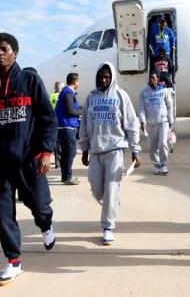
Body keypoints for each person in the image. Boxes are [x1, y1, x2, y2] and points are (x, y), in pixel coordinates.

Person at [0, 32, 57, 286]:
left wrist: (46, 151)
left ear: (15, 52)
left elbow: (48, 119)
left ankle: (45, 225)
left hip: (29, 160)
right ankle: (13, 261)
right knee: (3, 213)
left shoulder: (30, 81)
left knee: (40, 205)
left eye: (4, 49)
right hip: (2, 162)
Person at [80, 62, 141, 245]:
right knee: (97, 189)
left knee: (112, 189)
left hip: (115, 150)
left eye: (107, 76)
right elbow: (84, 124)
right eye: (101, 76)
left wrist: (135, 149)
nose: (103, 79)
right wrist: (84, 148)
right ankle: (111, 204)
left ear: (112, 77)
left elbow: (131, 123)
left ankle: (108, 227)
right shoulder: (90, 98)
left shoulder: (121, 96)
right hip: (95, 151)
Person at [139, 72, 174, 175]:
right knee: (152, 147)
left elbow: (169, 105)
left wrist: (170, 120)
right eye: (150, 78)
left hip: (163, 122)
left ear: (158, 79)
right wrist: (142, 120)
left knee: (163, 143)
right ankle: (157, 164)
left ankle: (163, 164)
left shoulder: (164, 90)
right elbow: (141, 108)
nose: (151, 80)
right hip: (150, 123)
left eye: (153, 78)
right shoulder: (144, 92)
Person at [56, 73, 80, 185]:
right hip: (67, 126)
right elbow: (70, 110)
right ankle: (67, 176)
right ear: (75, 82)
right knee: (70, 152)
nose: (78, 83)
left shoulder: (66, 92)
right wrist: (80, 113)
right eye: (78, 81)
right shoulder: (68, 93)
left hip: (64, 126)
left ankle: (65, 175)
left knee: (66, 152)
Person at [49, 81, 65, 169]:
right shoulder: (62, 96)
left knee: (56, 144)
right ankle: (62, 162)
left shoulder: (51, 96)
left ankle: (57, 163)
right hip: (61, 122)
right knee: (63, 144)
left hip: (53, 122)